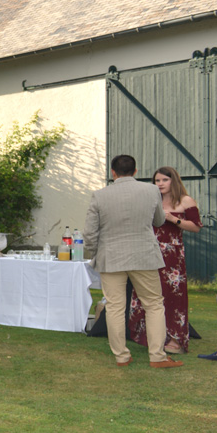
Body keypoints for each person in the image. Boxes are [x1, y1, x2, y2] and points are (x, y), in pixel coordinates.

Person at [84, 155, 179, 368]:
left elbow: (90, 233)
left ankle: (121, 356)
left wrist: (93, 252)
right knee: (154, 305)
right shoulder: (151, 190)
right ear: (136, 171)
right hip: (143, 255)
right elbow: (159, 220)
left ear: (113, 172)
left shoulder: (99, 195)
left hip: (111, 256)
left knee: (116, 306)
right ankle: (157, 356)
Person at [124, 166, 199, 355]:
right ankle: (151, 336)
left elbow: (196, 226)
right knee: (147, 294)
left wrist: (174, 219)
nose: (160, 184)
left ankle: (175, 339)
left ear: (173, 181)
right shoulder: (151, 200)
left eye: (164, 180)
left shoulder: (185, 200)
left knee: (173, 296)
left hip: (172, 256)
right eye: (157, 181)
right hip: (148, 252)